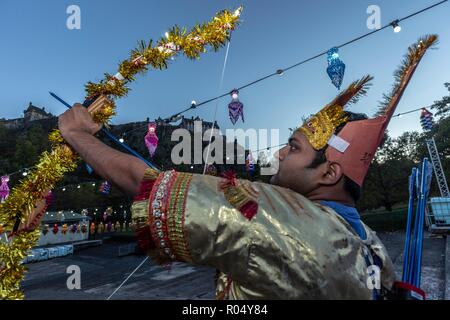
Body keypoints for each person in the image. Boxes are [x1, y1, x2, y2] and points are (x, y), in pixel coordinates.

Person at [57, 35, 437, 299]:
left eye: (293, 148)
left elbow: (150, 185)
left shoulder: (276, 215)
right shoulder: (371, 245)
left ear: (328, 173)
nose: (279, 156)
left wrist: (79, 135)